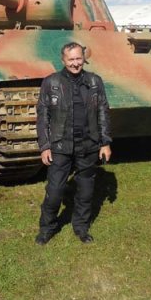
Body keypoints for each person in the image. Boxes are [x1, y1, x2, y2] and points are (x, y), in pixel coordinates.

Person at [35, 42, 112, 245]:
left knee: (86, 192)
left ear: (83, 59)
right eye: (71, 59)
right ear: (63, 60)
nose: (76, 63)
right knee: (54, 192)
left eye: (79, 59)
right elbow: (43, 116)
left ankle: (81, 227)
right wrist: (45, 146)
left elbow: (103, 111)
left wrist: (105, 142)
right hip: (60, 145)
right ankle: (47, 228)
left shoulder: (94, 81)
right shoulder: (51, 82)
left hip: (88, 144)